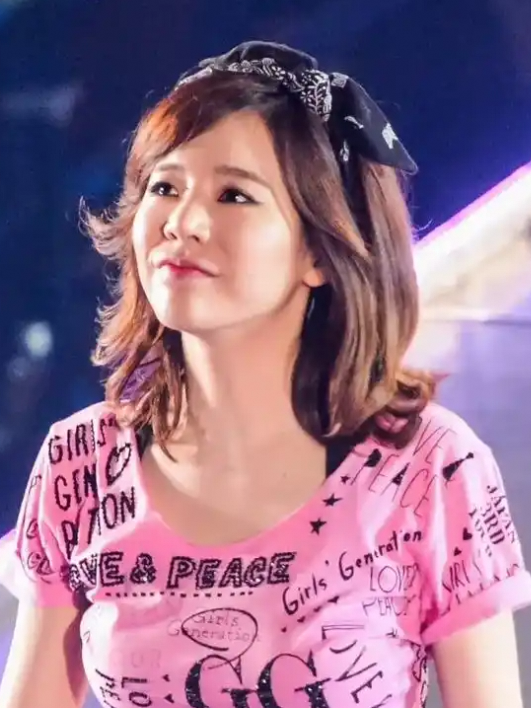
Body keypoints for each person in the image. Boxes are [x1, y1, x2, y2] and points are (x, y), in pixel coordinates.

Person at [0, 40, 529, 708]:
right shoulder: (81, 461)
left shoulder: (428, 467)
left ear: (319, 251)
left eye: (234, 195)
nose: (183, 222)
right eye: (165, 187)